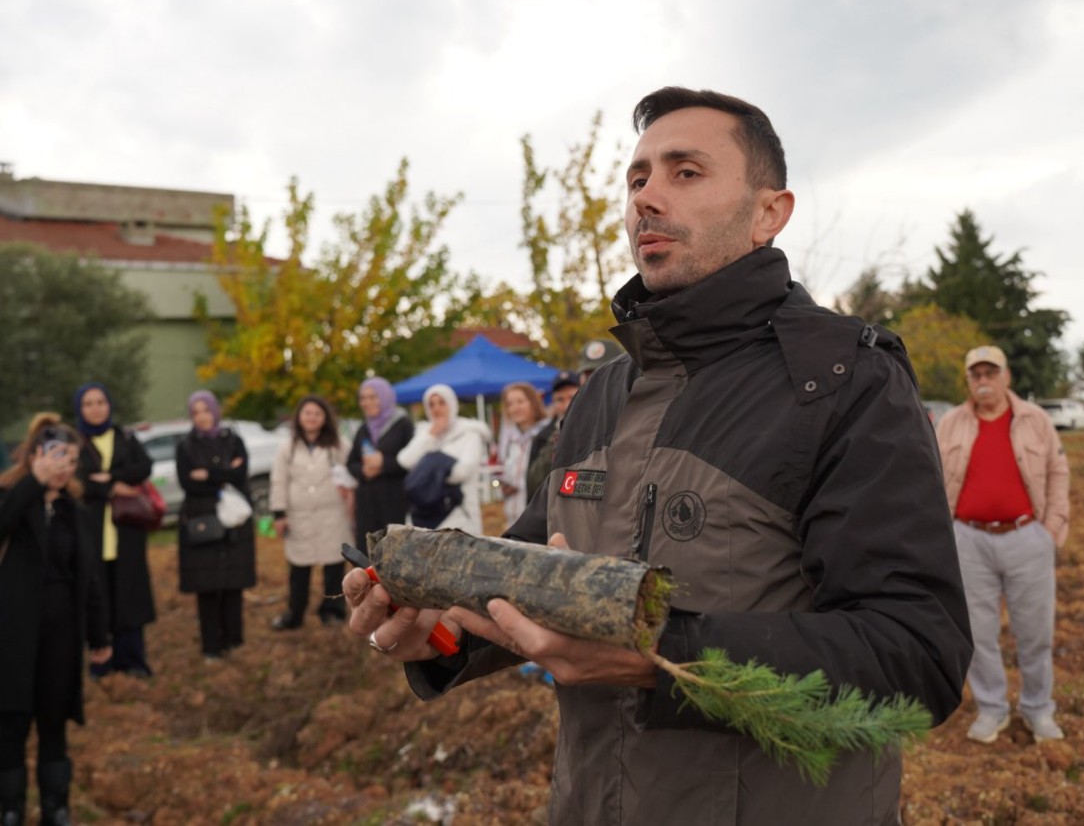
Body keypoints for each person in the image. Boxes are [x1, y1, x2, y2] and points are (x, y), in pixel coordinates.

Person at [346, 87, 972, 824]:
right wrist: (440, 632)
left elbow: (916, 654)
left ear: (769, 213)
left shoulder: (842, 380)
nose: (645, 197)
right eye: (636, 178)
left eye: (685, 172)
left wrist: (663, 657)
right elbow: (532, 578)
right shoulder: (602, 394)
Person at [935, 346, 1070, 744]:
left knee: (1035, 633)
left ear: (1006, 376)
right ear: (968, 381)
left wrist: (1051, 530)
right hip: (968, 541)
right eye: (975, 374)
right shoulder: (950, 424)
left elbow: (1058, 472)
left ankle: (1038, 709)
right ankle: (992, 709)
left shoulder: (1035, 420)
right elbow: (930, 476)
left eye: (990, 373)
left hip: (1027, 538)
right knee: (977, 633)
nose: (983, 381)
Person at [1, 414, 112, 825]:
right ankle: (10, 808)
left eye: (71, 459)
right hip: (13, 634)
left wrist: (99, 635)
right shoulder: (11, 497)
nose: (64, 467)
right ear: (35, 456)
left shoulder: (75, 512)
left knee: (53, 719)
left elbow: (89, 577)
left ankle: (56, 807)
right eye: (56, 456)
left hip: (61, 636)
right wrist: (34, 482)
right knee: (11, 721)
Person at [73, 382, 156, 679]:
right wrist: (110, 488)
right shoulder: (76, 443)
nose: (96, 408)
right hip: (91, 532)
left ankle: (132, 661)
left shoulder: (125, 437)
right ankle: (101, 662)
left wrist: (110, 477)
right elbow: (75, 480)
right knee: (97, 599)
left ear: (109, 406)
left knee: (129, 596)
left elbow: (144, 466)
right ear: (80, 409)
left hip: (126, 531)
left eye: (101, 402)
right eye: (89, 403)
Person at [176, 390, 256, 660]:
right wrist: (224, 474)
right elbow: (187, 483)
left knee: (233, 583)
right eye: (196, 412)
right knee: (206, 586)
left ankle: (234, 640)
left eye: (206, 410)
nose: (202, 417)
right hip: (202, 522)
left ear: (215, 411)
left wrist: (208, 474)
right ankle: (211, 645)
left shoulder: (233, 440)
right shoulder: (186, 446)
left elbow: (241, 474)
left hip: (234, 521)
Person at [269, 395, 353, 630]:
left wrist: (349, 490)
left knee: (334, 566)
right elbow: (279, 480)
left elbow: (352, 471)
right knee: (299, 568)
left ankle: (332, 611)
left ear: (325, 418)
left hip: (333, 516)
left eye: (317, 413)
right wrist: (279, 514)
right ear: (299, 417)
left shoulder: (339, 445)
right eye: (307, 413)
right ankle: (295, 613)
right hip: (299, 517)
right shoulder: (287, 447)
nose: (312, 418)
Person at [396, 384, 489, 536]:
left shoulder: (469, 433)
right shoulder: (425, 433)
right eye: (432, 404)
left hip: (460, 513)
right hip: (425, 514)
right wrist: (432, 435)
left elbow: (463, 471)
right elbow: (405, 461)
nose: (437, 408)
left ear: (451, 404)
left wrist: (428, 467)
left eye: (442, 403)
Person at [347, 377, 414, 555]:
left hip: (395, 502)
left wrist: (384, 463)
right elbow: (351, 462)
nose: (366, 402)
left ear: (385, 397)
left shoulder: (403, 424)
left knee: (394, 554)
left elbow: (412, 461)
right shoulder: (363, 429)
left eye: (372, 397)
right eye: (363, 398)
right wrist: (363, 471)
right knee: (367, 555)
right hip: (367, 505)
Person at [497, 382, 549, 526]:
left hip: (540, 521)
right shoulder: (511, 440)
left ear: (533, 403)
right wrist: (503, 487)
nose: (515, 408)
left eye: (520, 401)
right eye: (510, 404)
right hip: (513, 519)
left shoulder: (547, 436)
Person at [525, 370, 582, 501]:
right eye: (560, 399)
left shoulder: (599, 428)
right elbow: (533, 483)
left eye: (572, 397)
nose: (567, 405)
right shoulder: (543, 437)